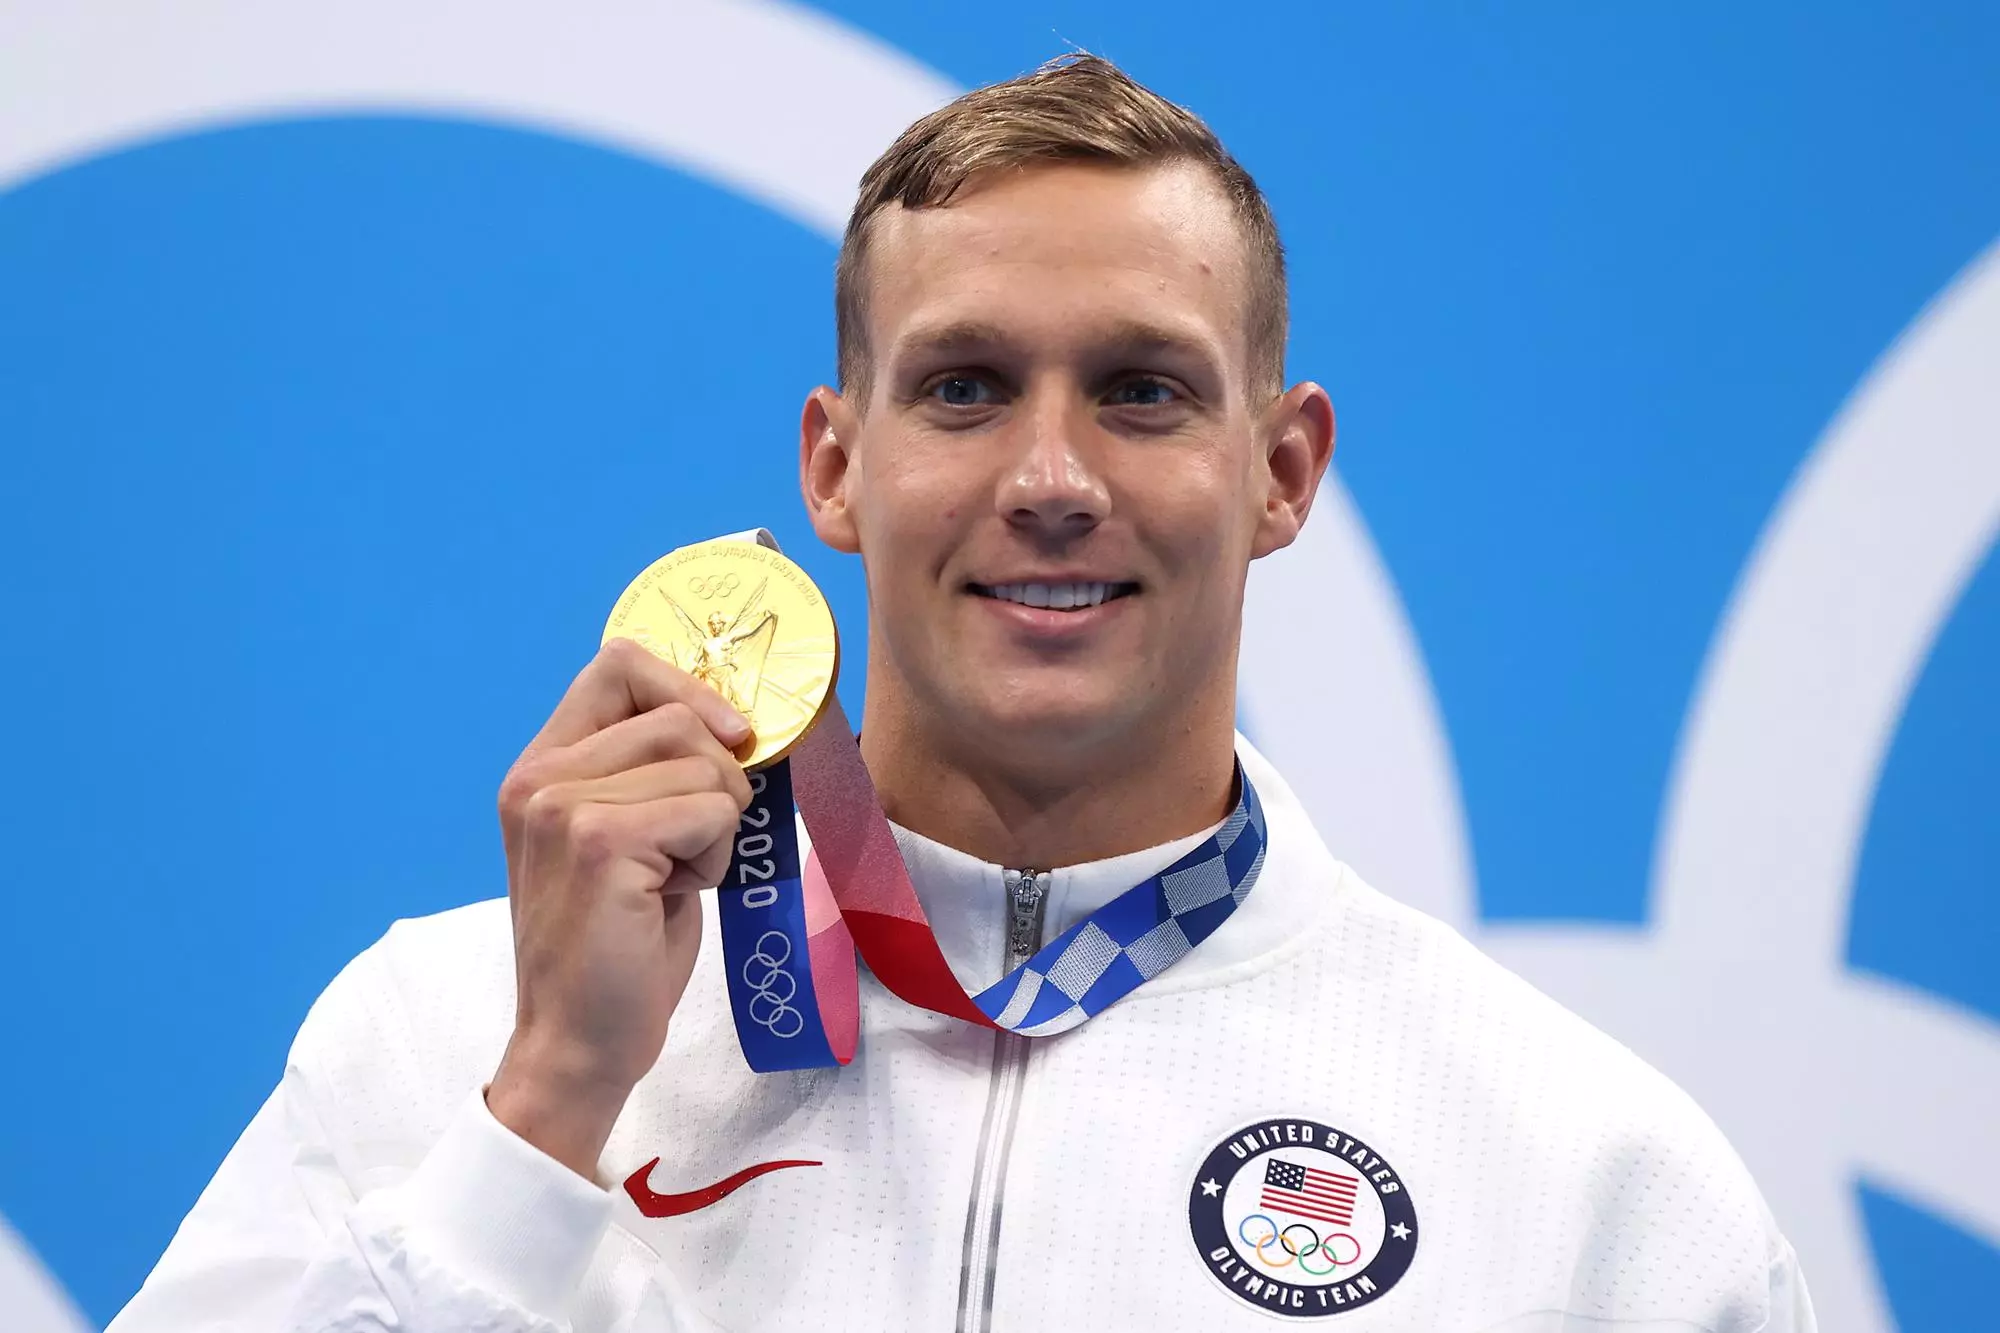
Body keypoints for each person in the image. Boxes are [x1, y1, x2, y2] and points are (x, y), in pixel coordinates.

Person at [108, 55, 1817, 1332]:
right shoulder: (442, 1035)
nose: (1052, 475)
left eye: (1143, 391)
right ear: (836, 468)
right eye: (967, 388)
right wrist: (549, 1105)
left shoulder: (1590, 1185)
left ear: (1282, 473)